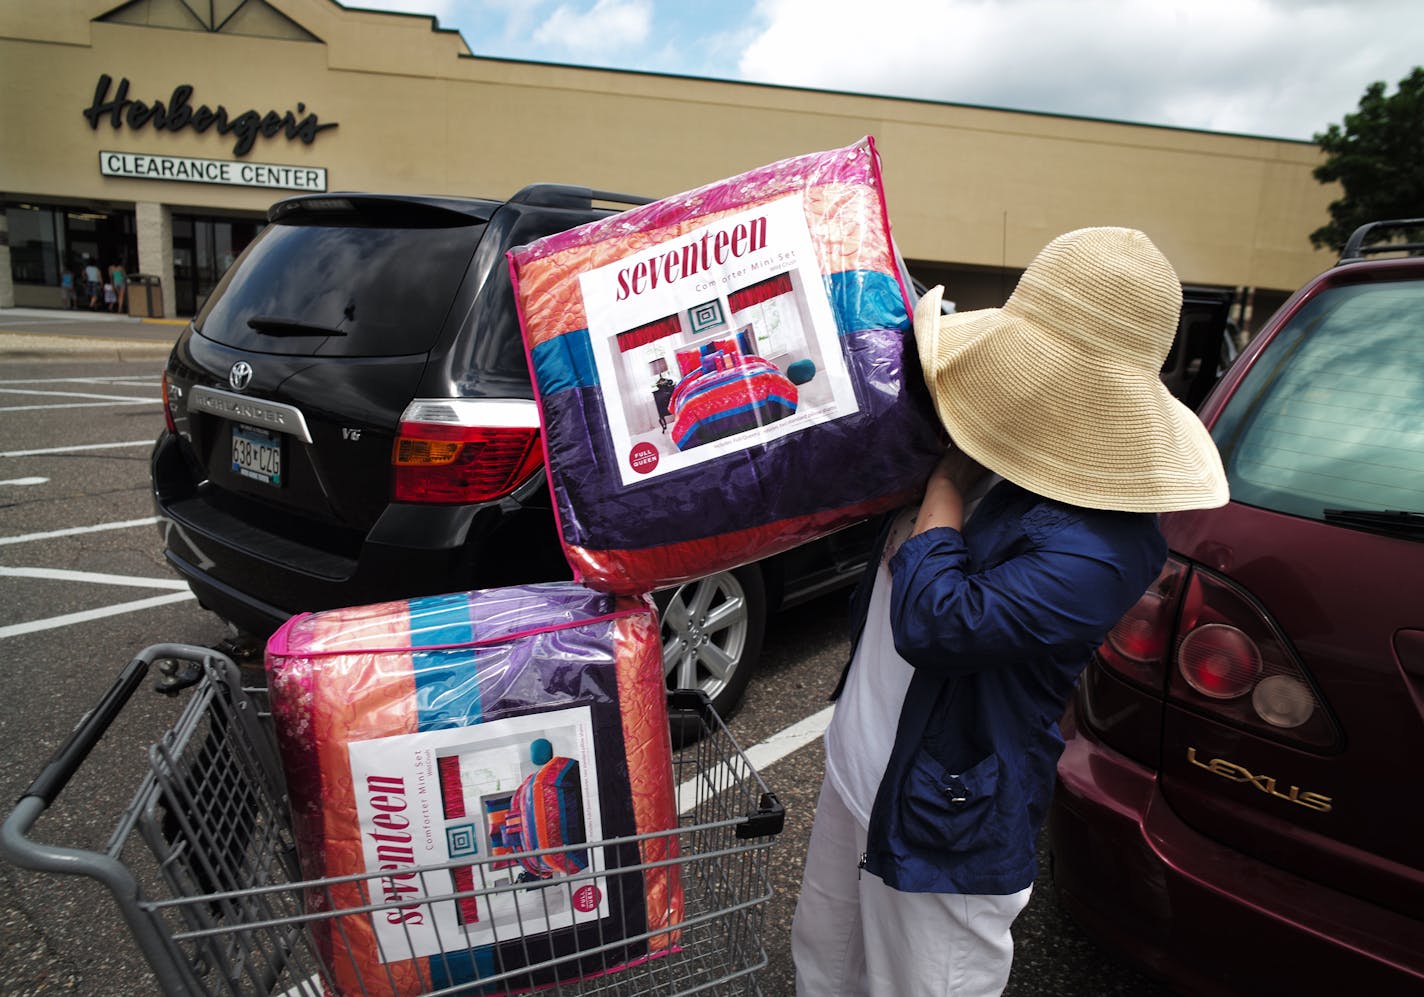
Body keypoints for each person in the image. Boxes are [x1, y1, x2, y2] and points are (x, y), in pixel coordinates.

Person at [791, 227, 1229, 996]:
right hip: (857, 779)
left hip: (943, 824)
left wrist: (944, 491)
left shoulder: (1108, 542)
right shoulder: (988, 432)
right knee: (824, 969)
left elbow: (939, 621)